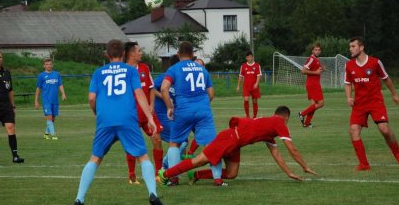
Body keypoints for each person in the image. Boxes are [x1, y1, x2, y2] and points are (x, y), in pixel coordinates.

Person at [73, 39, 164, 205]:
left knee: (95, 158)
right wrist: (150, 117)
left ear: (107, 55)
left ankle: (79, 199)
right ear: (123, 54)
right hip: (127, 118)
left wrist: (96, 112)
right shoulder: (131, 71)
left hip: (105, 119)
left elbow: (91, 98)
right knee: (143, 156)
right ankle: (153, 194)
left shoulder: (98, 72)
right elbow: (139, 94)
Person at [158, 106, 317, 184]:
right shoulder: (278, 122)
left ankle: (196, 176)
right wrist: (304, 166)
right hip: (229, 138)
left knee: (232, 173)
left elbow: (276, 154)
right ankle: (164, 175)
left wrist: (289, 173)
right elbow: (292, 148)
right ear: (285, 118)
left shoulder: (270, 129)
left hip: (235, 143)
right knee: (197, 161)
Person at [161, 41, 221, 186]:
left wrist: (170, 107)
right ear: (193, 54)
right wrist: (202, 106)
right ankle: (218, 179)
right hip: (203, 110)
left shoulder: (174, 68)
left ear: (178, 53)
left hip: (183, 110)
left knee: (174, 143)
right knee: (211, 144)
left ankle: (174, 179)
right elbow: (211, 94)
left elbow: (164, 88)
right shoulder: (202, 69)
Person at [344, 36, 399, 171]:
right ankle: (364, 164)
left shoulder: (375, 62)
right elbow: (348, 83)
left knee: (385, 130)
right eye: (350, 47)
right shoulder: (349, 65)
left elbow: (386, 79)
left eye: (353, 46)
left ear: (361, 47)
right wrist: (349, 97)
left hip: (375, 102)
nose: (350, 49)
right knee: (353, 131)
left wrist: (394, 94)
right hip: (359, 104)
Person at [123, 42, 164, 185]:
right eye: (139, 51)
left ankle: (159, 173)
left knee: (157, 139)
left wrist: (152, 105)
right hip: (131, 115)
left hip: (147, 114)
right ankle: (132, 175)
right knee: (131, 144)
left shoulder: (144, 68)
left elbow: (152, 88)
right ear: (131, 54)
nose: (141, 53)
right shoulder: (123, 71)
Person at [0, 49, 24, 164]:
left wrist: (12, 106)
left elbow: (10, 90)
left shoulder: (7, 73)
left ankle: (15, 156)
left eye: (0, 57)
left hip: (6, 106)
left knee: (11, 128)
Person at [35, 58, 67, 140]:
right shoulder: (41, 76)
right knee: (49, 117)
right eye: (47, 64)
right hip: (46, 100)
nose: (49, 65)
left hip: (55, 100)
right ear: (44, 66)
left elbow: (60, 84)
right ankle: (53, 135)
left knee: (53, 118)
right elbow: (38, 89)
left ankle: (46, 133)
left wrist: (63, 93)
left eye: (50, 64)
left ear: (52, 65)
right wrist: (36, 101)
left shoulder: (57, 74)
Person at [298, 43, 324, 128]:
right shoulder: (311, 59)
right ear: (312, 51)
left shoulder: (316, 59)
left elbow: (316, 70)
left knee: (314, 105)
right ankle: (302, 113)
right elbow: (303, 71)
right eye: (315, 50)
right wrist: (316, 72)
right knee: (321, 103)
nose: (317, 51)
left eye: (319, 50)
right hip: (313, 84)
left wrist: (321, 70)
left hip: (312, 83)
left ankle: (306, 123)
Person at [236, 50, 262, 118]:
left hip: (254, 86)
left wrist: (256, 83)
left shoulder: (257, 65)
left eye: (250, 57)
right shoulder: (243, 66)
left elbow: (259, 75)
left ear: (252, 57)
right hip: (246, 86)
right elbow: (240, 76)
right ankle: (247, 116)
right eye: (247, 57)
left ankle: (254, 117)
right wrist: (238, 86)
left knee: (254, 101)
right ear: (246, 58)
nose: (249, 58)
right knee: (246, 99)